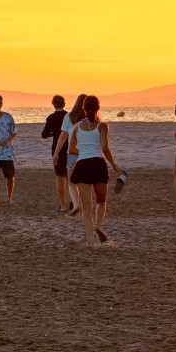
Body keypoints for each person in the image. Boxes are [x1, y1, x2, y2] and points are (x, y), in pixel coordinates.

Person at [69, 95, 123, 247]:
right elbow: (105, 148)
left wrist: (85, 152)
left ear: (83, 109)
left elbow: (71, 149)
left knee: (86, 207)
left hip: (82, 166)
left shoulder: (76, 127)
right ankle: (99, 226)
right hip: (98, 164)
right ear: (98, 107)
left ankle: (90, 241)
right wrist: (115, 166)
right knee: (101, 201)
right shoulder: (102, 126)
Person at [51, 93, 86, 216]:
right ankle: (84, 205)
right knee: (85, 181)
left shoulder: (69, 116)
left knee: (72, 182)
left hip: (72, 153)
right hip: (87, 153)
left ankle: (76, 205)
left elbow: (62, 137)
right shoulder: (92, 117)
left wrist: (56, 154)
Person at [40, 95, 69, 212]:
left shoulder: (51, 118)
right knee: (70, 178)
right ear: (64, 104)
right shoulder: (69, 116)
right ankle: (73, 202)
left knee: (59, 178)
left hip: (57, 149)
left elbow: (44, 134)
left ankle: (63, 205)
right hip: (69, 148)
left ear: (53, 104)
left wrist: (54, 134)